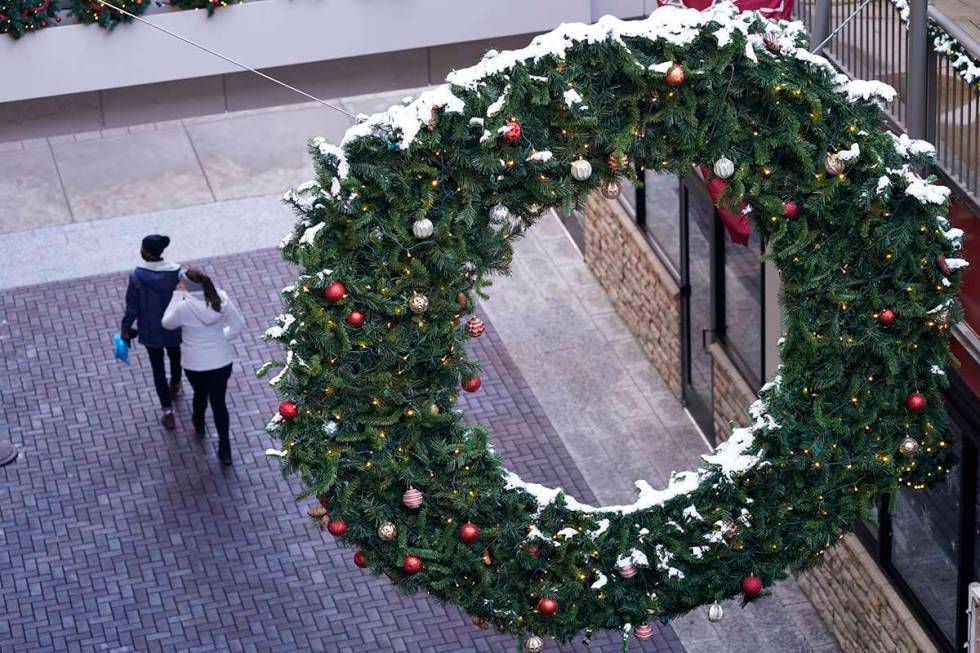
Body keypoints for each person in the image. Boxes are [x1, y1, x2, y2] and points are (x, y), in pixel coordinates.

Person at [162, 268, 245, 465]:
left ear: (187, 287)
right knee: (219, 403)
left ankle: (198, 424)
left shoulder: (183, 306)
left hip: (194, 363)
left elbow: (166, 323)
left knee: (200, 393)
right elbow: (238, 325)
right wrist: (220, 339)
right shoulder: (221, 298)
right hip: (221, 361)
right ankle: (225, 449)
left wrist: (176, 296)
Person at [121, 235, 182, 430]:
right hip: (174, 325)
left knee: (157, 368)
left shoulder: (137, 276)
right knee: (176, 356)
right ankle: (175, 384)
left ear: (146, 251)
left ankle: (167, 411)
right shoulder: (176, 272)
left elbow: (132, 307)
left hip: (150, 329)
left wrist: (125, 327)